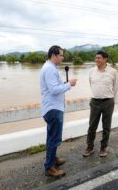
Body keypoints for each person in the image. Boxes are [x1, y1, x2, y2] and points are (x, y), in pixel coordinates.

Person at [40, 45, 77, 177]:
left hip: (53, 107)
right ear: (54, 55)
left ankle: (53, 160)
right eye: (61, 55)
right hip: (53, 109)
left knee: (52, 137)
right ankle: (50, 167)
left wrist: (65, 85)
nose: (63, 57)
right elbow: (54, 90)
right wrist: (69, 84)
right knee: (54, 138)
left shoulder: (50, 68)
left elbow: (55, 87)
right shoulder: (49, 69)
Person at [82, 50, 118, 157]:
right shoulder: (91, 71)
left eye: (99, 58)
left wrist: (111, 99)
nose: (96, 60)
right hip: (95, 101)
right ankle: (89, 147)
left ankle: (103, 148)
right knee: (92, 126)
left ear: (105, 59)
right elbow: (91, 85)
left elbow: (115, 88)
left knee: (106, 127)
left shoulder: (113, 72)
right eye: (96, 58)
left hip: (108, 102)